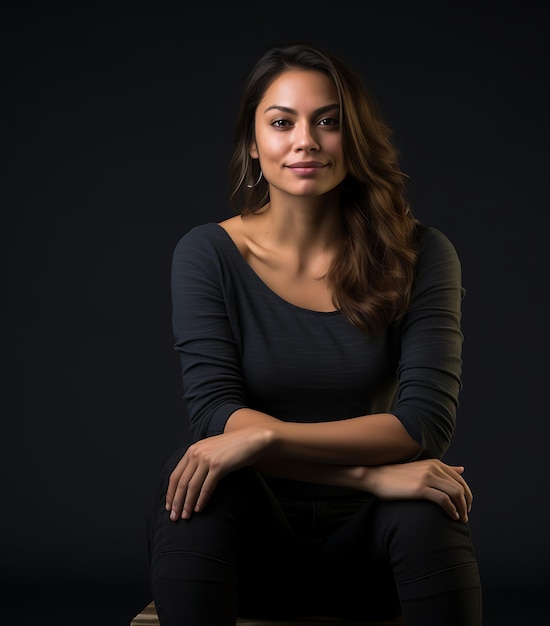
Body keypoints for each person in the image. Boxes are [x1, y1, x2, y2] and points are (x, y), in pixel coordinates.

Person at [147, 42, 482, 625]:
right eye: (282, 123)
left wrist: (266, 438)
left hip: (377, 548)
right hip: (245, 548)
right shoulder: (208, 253)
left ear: (353, 138)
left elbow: (422, 425)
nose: (306, 141)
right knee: (207, 478)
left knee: (427, 505)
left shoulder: (423, 254)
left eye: (328, 122)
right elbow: (215, 416)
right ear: (254, 143)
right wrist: (368, 474)